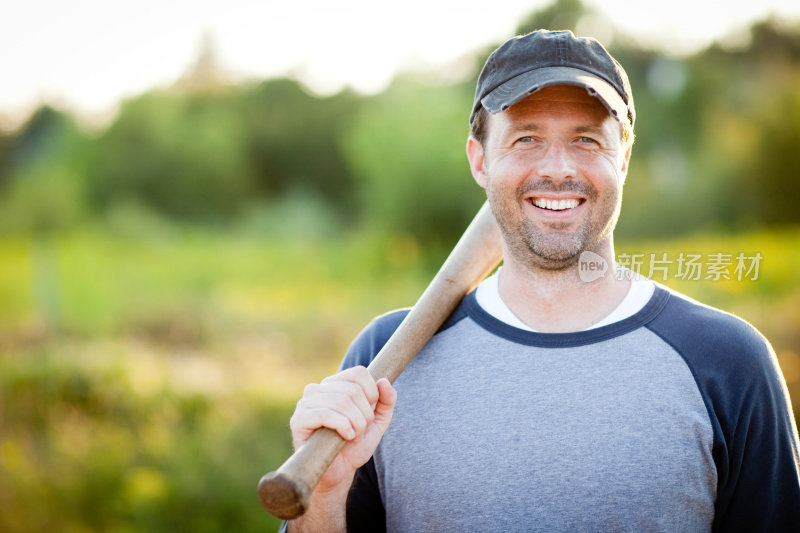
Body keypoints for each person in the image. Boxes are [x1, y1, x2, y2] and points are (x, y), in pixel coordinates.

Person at [283, 30, 800, 532]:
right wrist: (324, 498)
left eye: (586, 139)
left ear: (622, 157)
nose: (557, 168)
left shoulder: (729, 363)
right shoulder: (383, 366)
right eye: (527, 138)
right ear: (480, 159)